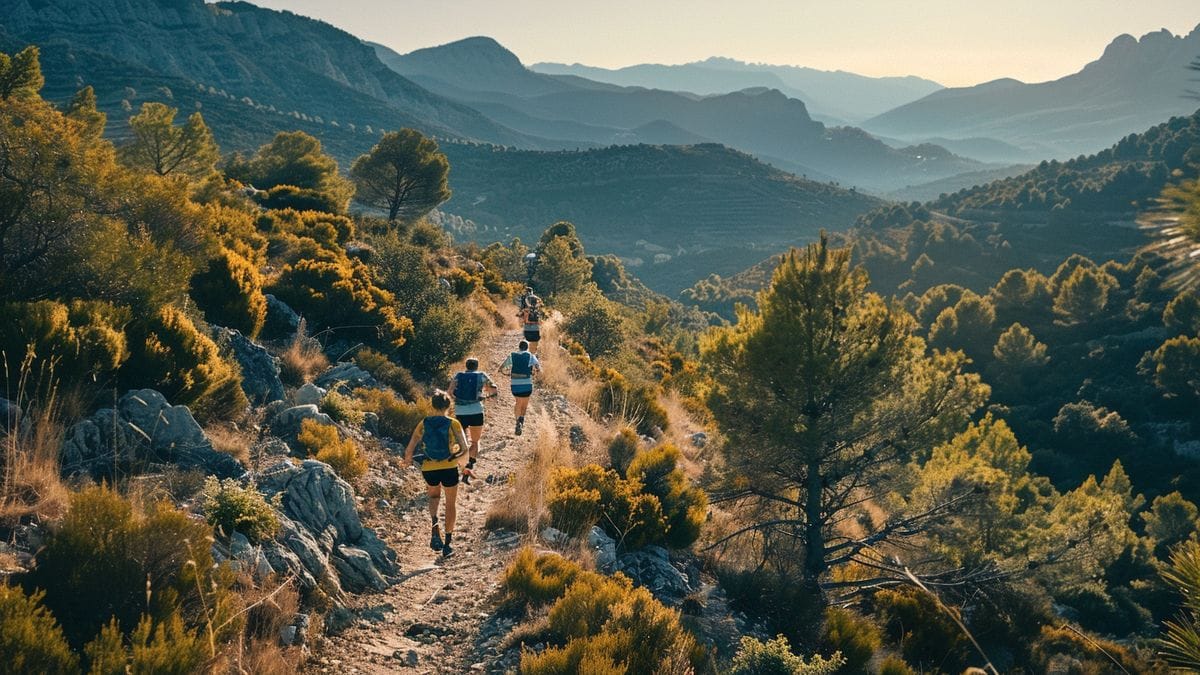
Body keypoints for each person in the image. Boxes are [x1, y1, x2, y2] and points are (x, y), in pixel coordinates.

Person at [401, 390, 474, 557]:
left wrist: (407, 461)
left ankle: (434, 522)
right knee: (450, 503)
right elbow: (464, 448)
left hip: (429, 468)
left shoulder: (424, 423)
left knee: (434, 497)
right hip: (449, 467)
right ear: (449, 406)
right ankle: (447, 544)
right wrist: (463, 466)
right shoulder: (453, 423)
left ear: (432, 405)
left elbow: (410, 447)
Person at [448, 357, 497, 480]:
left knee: (462, 441)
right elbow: (494, 388)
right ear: (477, 366)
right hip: (476, 411)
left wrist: (456, 400)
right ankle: (470, 465)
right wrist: (486, 397)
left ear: (466, 366)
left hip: (460, 412)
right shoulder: (481, 375)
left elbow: (449, 392)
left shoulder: (458, 375)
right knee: (475, 441)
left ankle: (461, 465)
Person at [499, 340, 540, 436]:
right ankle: (521, 420)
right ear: (527, 348)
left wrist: (503, 371)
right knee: (524, 404)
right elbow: (538, 368)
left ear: (519, 347)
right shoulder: (531, 356)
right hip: (527, 384)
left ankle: (517, 421)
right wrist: (534, 372)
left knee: (518, 402)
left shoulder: (512, 355)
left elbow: (502, 367)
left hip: (515, 385)